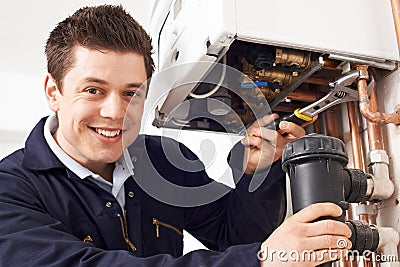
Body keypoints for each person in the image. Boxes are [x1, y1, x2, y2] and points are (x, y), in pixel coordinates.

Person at [0, 5, 351, 266]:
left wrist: (253, 171)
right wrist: (259, 259)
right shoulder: (10, 191)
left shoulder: (163, 160)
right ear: (53, 91)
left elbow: (238, 238)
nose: (116, 113)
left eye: (131, 92)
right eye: (93, 90)